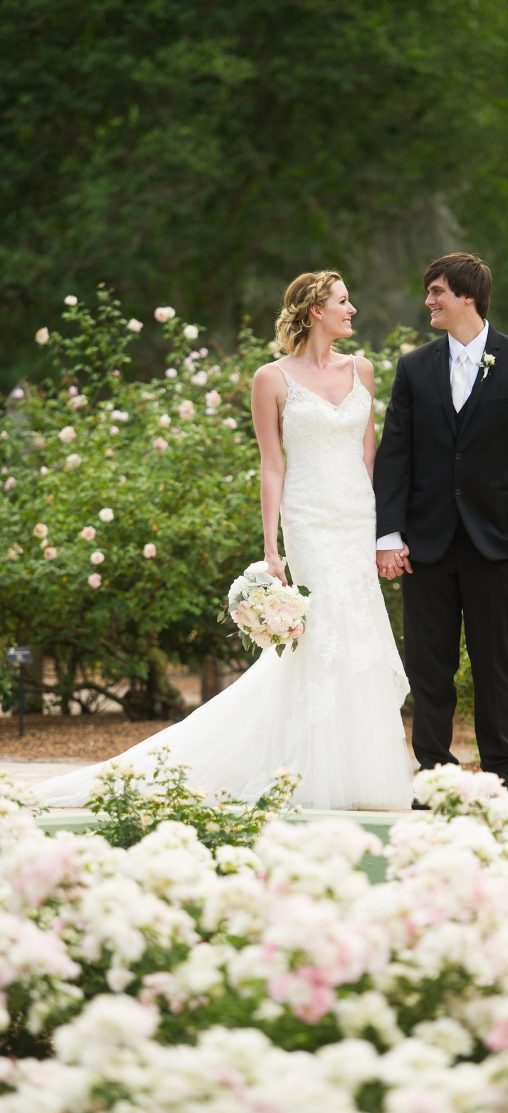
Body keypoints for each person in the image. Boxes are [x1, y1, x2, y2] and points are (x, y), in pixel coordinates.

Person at [36, 271, 413, 811]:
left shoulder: (363, 370)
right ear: (314, 312)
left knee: (361, 638)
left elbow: (369, 455)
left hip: (356, 518)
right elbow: (271, 465)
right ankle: (306, 775)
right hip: (307, 521)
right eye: (343, 302)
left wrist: (384, 530)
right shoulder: (272, 378)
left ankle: (361, 776)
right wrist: (271, 548)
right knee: (322, 636)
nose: (352, 310)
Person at [374, 252, 508, 803]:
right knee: (429, 668)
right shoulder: (414, 368)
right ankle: (434, 776)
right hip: (426, 544)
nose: (429, 301)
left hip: (498, 543)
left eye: (436, 292)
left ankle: (502, 774)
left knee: (494, 666)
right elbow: (396, 455)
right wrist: (389, 534)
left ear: (466, 296)